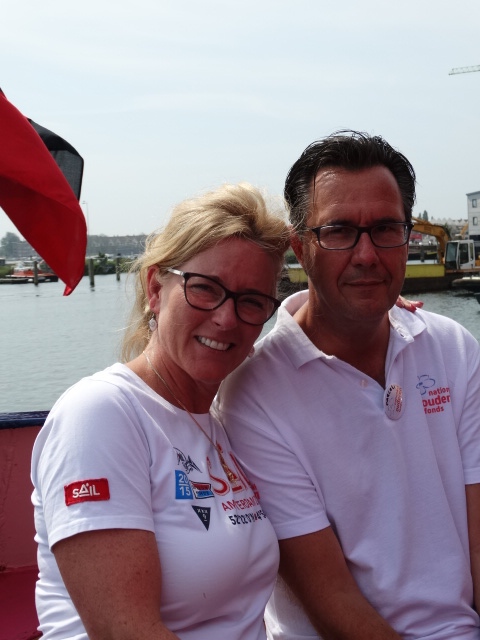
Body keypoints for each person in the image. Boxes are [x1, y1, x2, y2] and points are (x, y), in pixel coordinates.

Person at [216, 131, 480, 639]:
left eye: (385, 229)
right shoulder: (254, 395)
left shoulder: (452, 348)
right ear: (300, 248)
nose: (366, 254)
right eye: (338, 231)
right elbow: (331, 600)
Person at [30, 182, 291, 640]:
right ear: (155, 288)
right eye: (205, 288)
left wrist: (389, 316)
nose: (226, 319)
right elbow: (124, 631)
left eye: (251, 301)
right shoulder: (101, 415)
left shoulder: (218, 423)